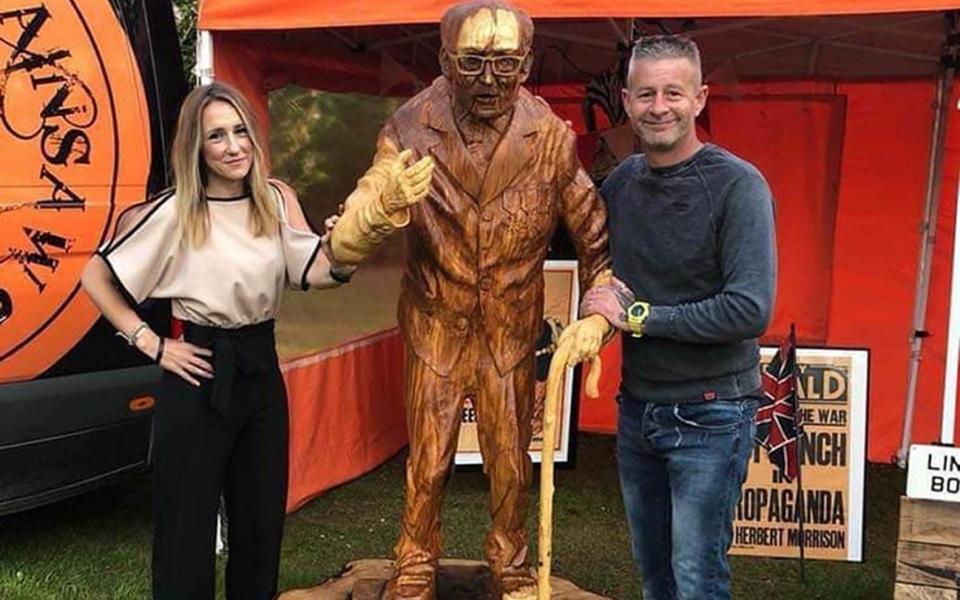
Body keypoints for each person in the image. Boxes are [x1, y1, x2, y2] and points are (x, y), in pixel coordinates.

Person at [80, 82, 430, 600]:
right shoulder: (176, 211)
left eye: (240, 131)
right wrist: (152, 343)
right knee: (186, 532)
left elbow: (315, 270)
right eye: (216, 136)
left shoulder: (274, 198)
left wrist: (349, 240)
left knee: (260, 527)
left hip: (260, 375)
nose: (233, 146)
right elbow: (96, 276)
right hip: (196, 374)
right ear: (195, 148)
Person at [329, 2, 612, 598]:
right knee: (428, 456)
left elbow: (593, 235)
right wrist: (379, 207)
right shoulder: (409, 127)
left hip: (511, 326)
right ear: (445, 61)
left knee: (509, 458)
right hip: (436, 318)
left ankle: (509, 563)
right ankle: (414, 560)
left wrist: (598, 315)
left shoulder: (552, 139)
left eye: (505, 63)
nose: (489, 79)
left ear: (526, 63)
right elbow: (363, 206)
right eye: (473, 62)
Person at [581, 35, 777, 600]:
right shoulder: (620, 184)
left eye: (673, 92)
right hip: (638, 408)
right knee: (655, 575)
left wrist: (637, 315)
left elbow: (749, 308)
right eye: (645, 94)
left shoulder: (738, 186)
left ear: (700, 98)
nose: (658, 106)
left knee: (696, 578)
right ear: (625, 99)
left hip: (712, 413)